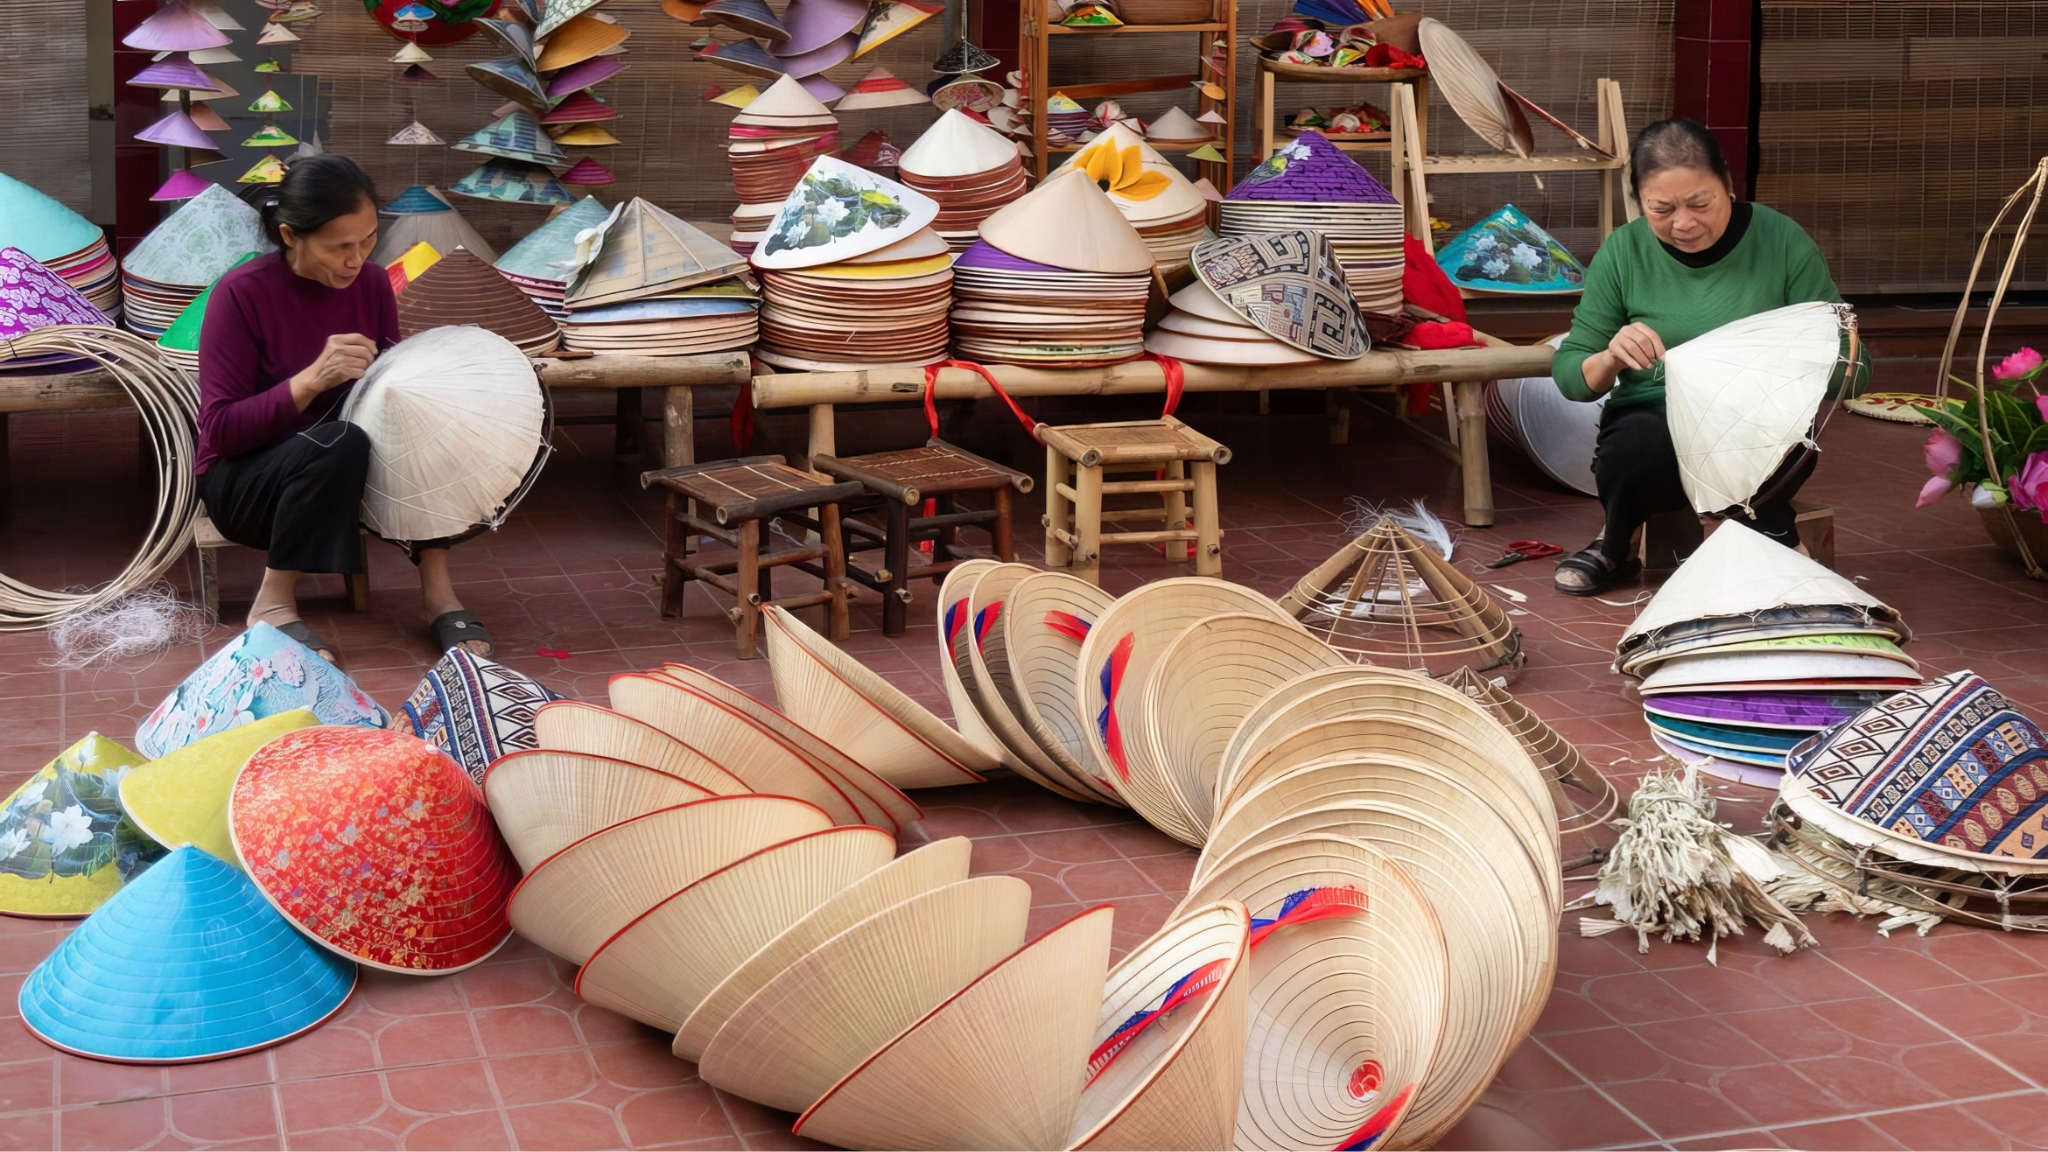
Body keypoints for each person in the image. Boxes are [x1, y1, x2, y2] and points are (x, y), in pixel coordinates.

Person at [1549, 118, 1868, 596]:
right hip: (1656, 420)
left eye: (1701, 203)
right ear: (1639, 202)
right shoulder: (1624, 251)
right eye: (1662, 209)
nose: (1683, 223)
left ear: (1729, 186)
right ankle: (1620, 538)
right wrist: (1612, 357)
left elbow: (1855, 370)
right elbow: (1572, 375)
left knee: (1771, 449)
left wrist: (1782, 358)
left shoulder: (1780, 240)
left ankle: (1766, 530)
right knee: (1635, 445)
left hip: (1760, 422)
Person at [196, 155, 494, 662]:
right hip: (247, 484)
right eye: (339, 247)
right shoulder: (240, 294)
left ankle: (439, 594)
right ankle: (272, 604)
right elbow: (221, 432)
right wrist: (311, 381)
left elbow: (387, 389)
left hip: (341, 472)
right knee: (340, 439)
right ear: (291, 236)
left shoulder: (373, 283)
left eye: (367, 240)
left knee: (420, 421)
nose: (356, 260)